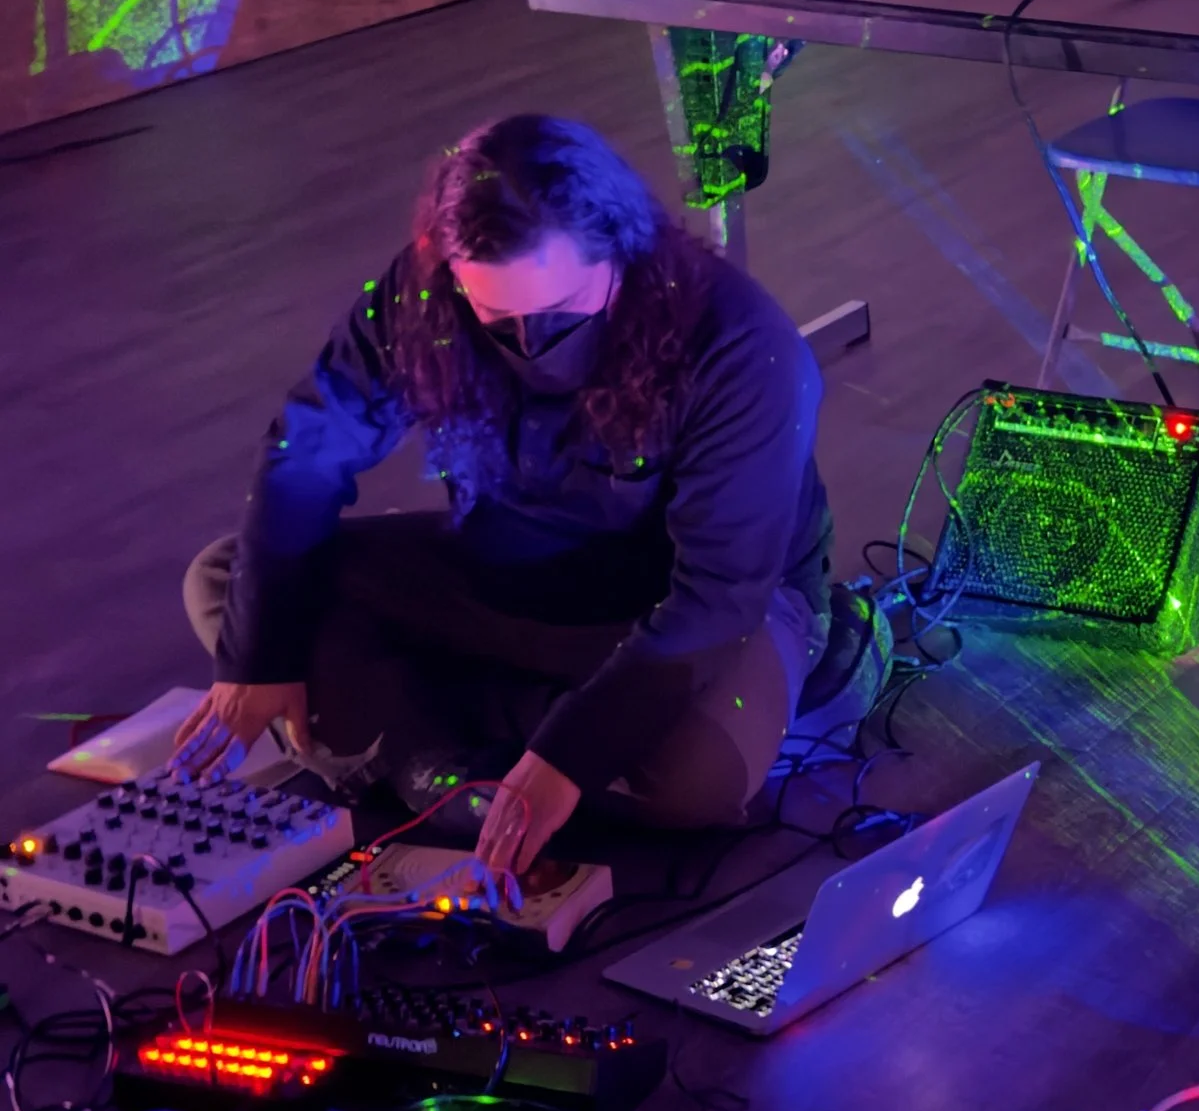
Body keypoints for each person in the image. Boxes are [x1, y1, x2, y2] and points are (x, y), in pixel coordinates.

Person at [172, 114, 885, 875]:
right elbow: (303, 458)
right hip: (503, 583)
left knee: (696, 780)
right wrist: (257, 661)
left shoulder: (743, 346)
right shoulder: (423, 298)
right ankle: (490, 745)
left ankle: (435, 746)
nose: (531, 347)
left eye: (559, 316)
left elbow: (716, 596)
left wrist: (571, 755)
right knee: (229, 584)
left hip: (689, 611)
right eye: (498, 322)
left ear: (623, 250)